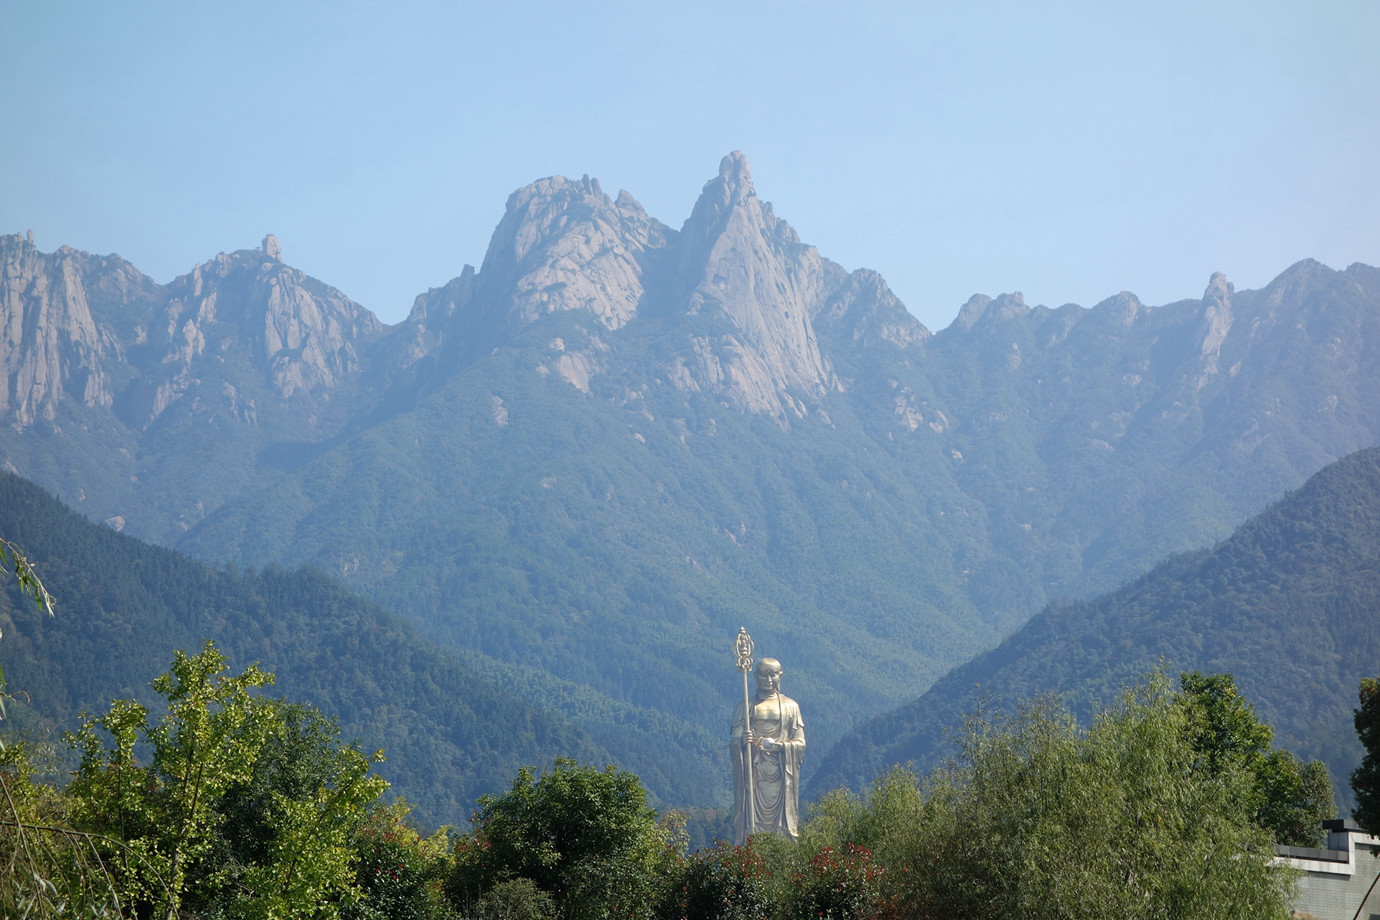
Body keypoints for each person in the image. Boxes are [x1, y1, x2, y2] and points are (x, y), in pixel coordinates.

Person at [730, 657, 805, 843]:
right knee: (752, 819)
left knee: (782, 824)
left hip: (781, 773)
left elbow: (801, 742)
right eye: (764, 675)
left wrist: (784, 747)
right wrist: (742, 741)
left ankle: (782, 849)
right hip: (754, 775)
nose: (768, 680)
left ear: (781, 675)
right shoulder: (745, 706)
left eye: (773, 675)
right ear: (755, 676)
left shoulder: (791, 707)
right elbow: (733, 742)